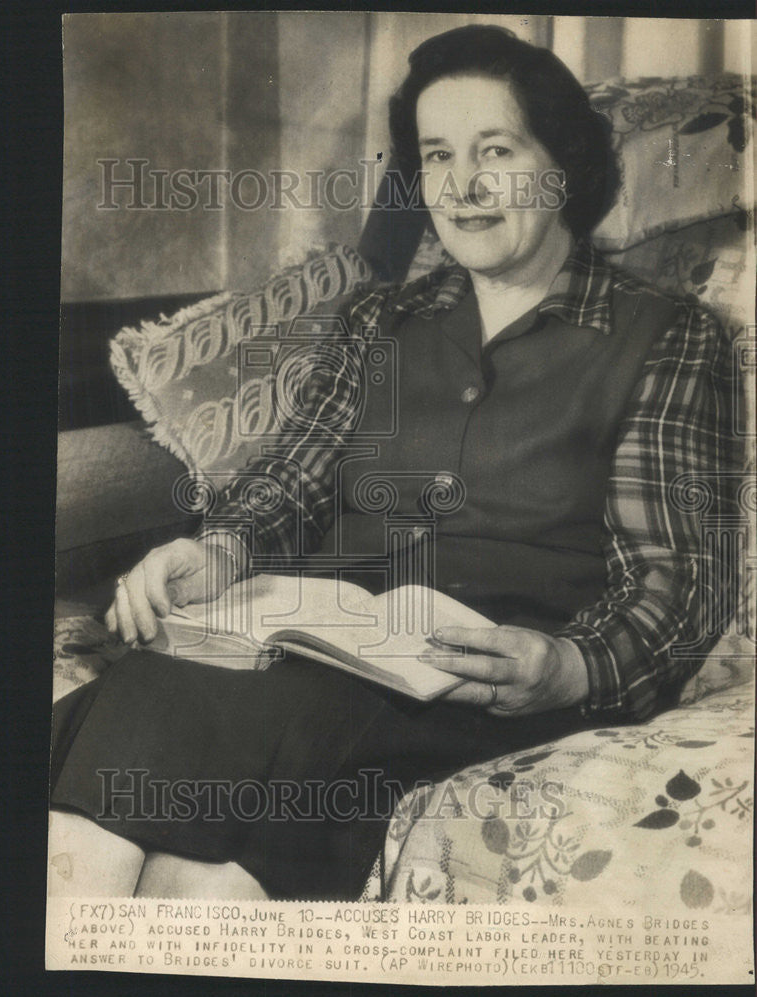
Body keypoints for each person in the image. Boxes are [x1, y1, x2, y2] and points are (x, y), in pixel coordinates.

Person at [48, 26, 738, 902]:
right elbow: (288, 482)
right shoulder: (378, 321)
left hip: (484, 678)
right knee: (192, 853)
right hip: (323, 651)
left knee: (150, 708)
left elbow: (673, 577)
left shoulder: (667, 337)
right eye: (437, 155)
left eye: (496, 149)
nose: (463, 185)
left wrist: (565, 666)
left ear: (560, 164)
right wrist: (216, 551)